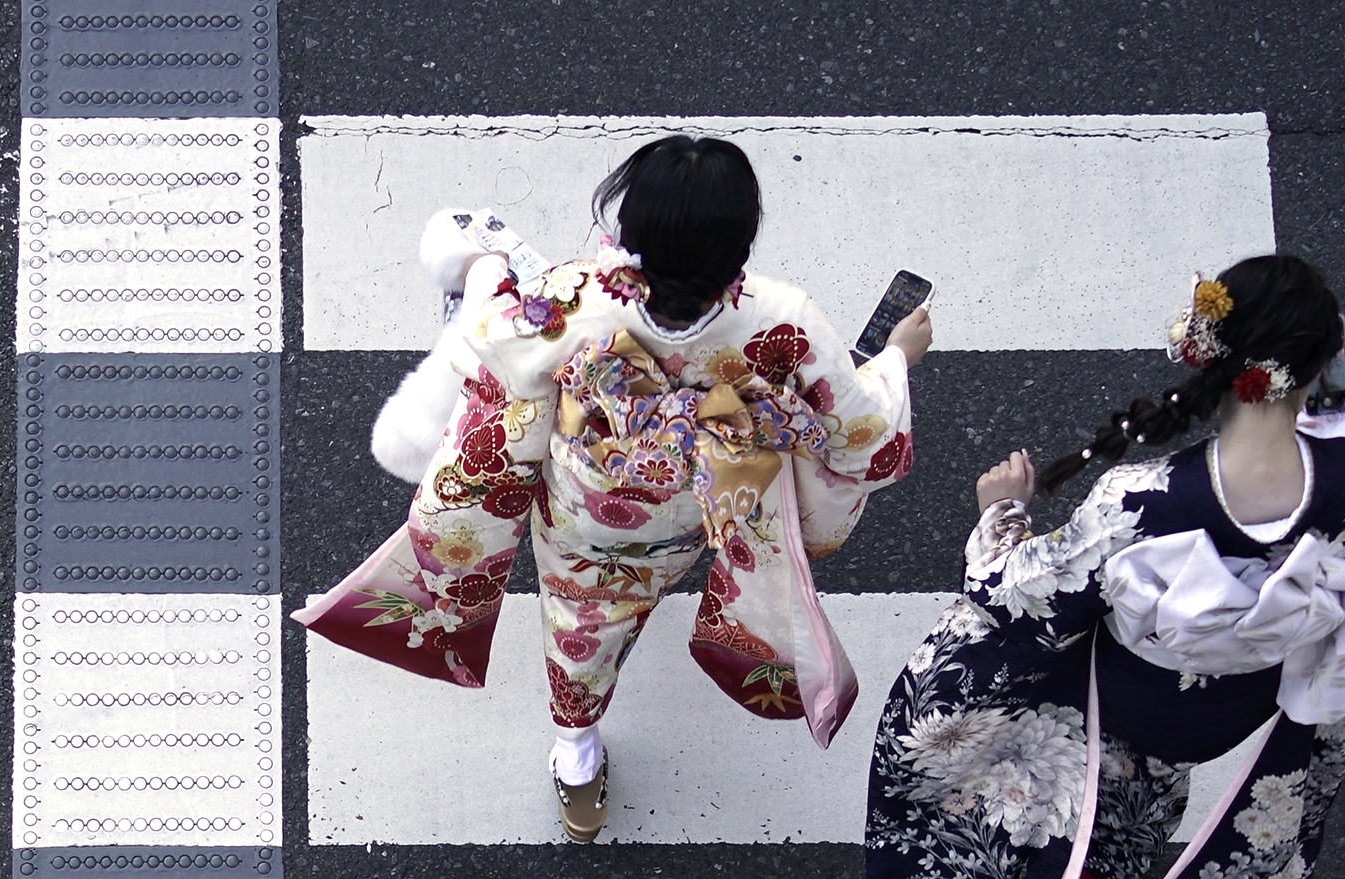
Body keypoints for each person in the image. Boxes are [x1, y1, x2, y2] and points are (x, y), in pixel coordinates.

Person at [863, 251, 1345, 879]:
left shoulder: (1142, 499)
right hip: (1237, 705)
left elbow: (1017, 594)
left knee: (964, 682)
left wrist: (1001, 511)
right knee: (1154, 777)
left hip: (1129, 690)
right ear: (1323, 372)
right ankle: (1108, 876)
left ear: (1209, 363)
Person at [298, 135, 931, 841]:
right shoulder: (784, 317)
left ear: (630, 229)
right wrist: (896, 361)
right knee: (671, 574)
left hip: (587, 507)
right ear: (739, 242)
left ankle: (576, 762)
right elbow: (866, 441)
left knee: (581, 623)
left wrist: (485, 268)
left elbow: (494, 343)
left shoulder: (580, 297)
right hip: (702, 501)